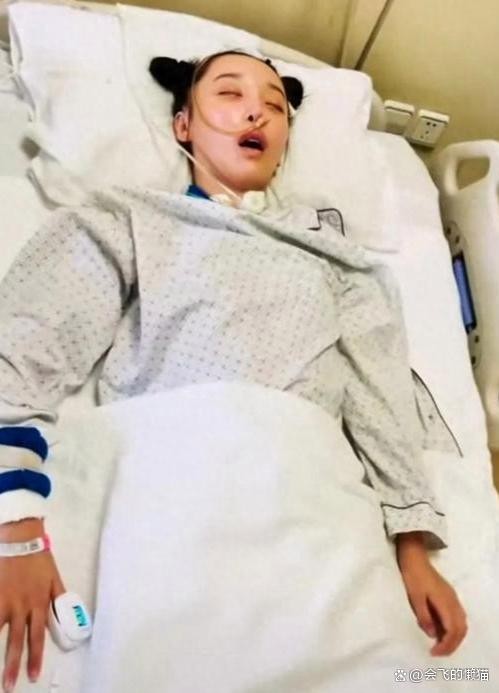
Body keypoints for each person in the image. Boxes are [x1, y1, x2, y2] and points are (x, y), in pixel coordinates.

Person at [0, 50, 467, 692]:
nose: (257, 112)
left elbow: (379, 397)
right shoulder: (130, 219)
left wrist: (412, 549)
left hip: (313, 507)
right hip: (172, 491)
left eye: (276, 105)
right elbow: (27, 346)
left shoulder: (339, 264)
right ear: (183, 125)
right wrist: (18, 528)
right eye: (229, 93)